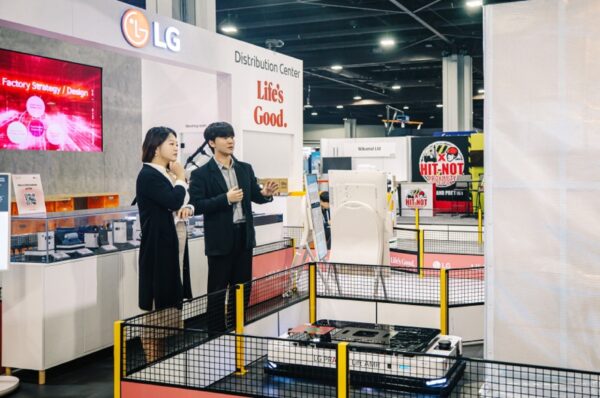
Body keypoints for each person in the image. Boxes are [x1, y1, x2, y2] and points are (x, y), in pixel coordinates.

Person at [189, 122, 278, 331]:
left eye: (232, 136)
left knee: (242, 288)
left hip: (244, 237)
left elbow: (256, 196)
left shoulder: (245, 168)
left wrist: (266, 194)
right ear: (211, 142)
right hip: (220, 240)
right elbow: (197, 205)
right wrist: (225, 199)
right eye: (224, 137)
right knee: (218, 292)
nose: (230, 141)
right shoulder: (201, 174)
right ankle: (216, 336)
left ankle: (239, 328)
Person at [136, 126, 193, 362]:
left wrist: (188, 207)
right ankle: (152, 363)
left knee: (168, 303)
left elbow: (183, 202)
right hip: (158, 246)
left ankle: (159, 364)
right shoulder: (149, 174)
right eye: (171, 142)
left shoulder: (162, 174)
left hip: (171, 241)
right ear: (156, 146)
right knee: (156, 305)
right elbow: (172, 200)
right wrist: (180, 177)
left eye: (176, 142)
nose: (175, 147)